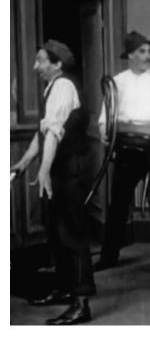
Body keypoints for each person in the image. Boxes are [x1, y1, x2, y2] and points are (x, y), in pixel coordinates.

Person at [12, 40, 96, 324]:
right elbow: (43, 132)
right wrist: (24, 164)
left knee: (72, 235)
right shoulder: (52, 88)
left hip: (69, 169)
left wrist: (44, 170)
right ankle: (63, 288)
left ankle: (81, 302)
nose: (35, 67)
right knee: (57, 235)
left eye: (40, 60)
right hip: (60, 168)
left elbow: (55, 134)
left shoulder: (63, 87)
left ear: (57, 64)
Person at [95, 31, 150, 278]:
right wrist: (104, 134)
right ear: (130, 55)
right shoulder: (117, 82)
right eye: (141, 52)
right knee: (119, 203)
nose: (147, 56)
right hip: (126, 148)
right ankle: (109, 256)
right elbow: (105, 118)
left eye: (148, 51)